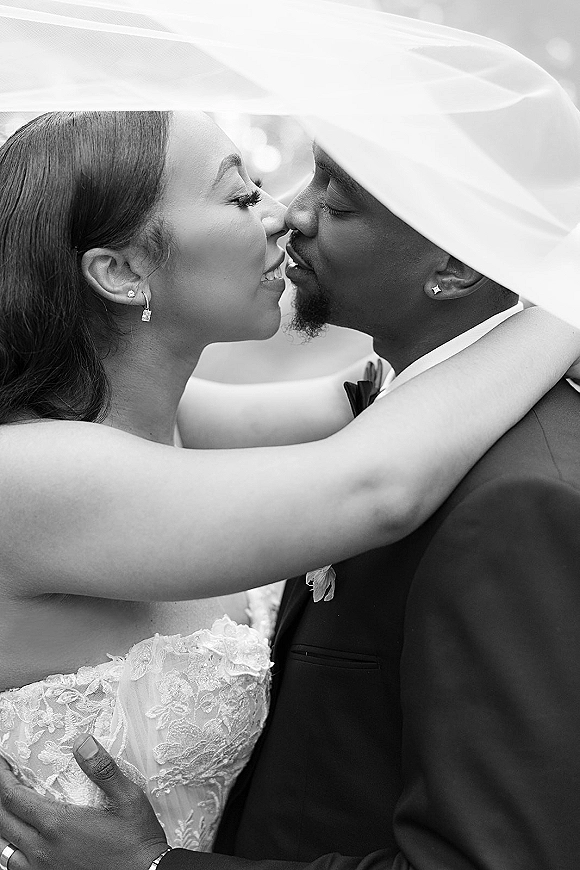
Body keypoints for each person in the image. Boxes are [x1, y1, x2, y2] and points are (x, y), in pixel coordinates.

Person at [0, 106, 575, 867]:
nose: (283, 215)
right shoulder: (33, 475)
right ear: (122, 271)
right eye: (241, 198)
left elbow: (374, 396)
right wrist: (562, 297)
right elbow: (375, 482)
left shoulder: (163, 424)